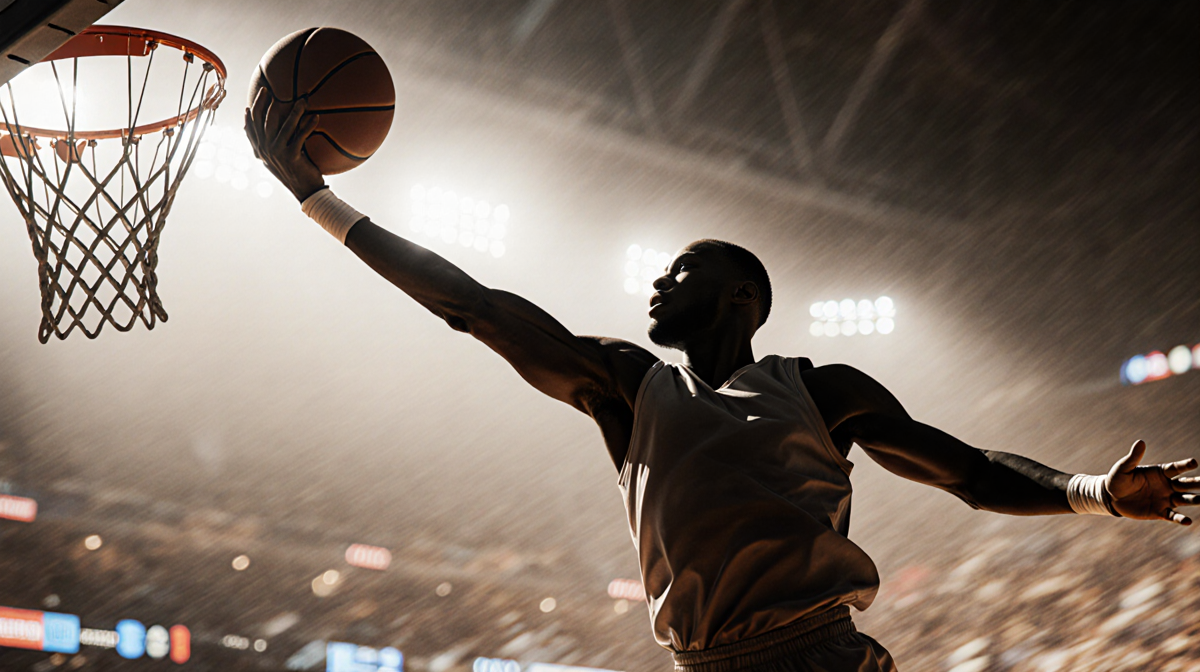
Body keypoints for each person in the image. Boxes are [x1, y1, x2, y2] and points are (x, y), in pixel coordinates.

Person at [246, 95, 1199, 672]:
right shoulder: (625, 385)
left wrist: (1093, 495)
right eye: (660, 273)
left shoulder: (823, 389)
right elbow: (475, 305)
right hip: (699, 663)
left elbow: (971, 472)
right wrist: (317, 199)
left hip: (820, 655)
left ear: (744, 297)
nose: (658, 282)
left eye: (682, 270)